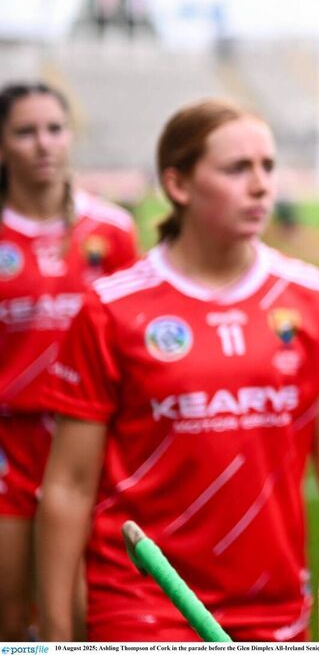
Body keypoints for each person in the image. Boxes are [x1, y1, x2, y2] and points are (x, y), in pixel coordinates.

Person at [35, 99, 319, 642]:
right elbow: (67, 485)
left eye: (268, 167)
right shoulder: (112, 307)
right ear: (178, 186)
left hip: (273, 606)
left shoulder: (309, 296)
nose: (261, 186)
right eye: (237, 169)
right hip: (145, 602)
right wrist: (55, 631)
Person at [0, 82, 137, 640]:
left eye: (54, 129)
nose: (43, 144)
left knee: (80, 615)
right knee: (9, 613)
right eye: (25, 131)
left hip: (89, 447)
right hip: (10, 449)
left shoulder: (112, 231)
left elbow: (138, 340)